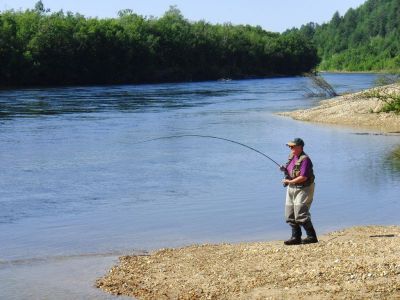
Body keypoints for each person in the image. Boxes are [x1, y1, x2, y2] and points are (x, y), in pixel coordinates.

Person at [280, 138, 318, 245]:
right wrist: (284, 169)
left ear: (300, 147)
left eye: (292, 146)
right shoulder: (292, 157)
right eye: (289, 147)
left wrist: (289, 181)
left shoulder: (305, 159)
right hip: (291, 188)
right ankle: (295, 237)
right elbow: (291, 170)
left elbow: (303, 177)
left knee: (301, 213)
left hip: (304, 188)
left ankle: (312, 237)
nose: (290, 148)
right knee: (290, 214)